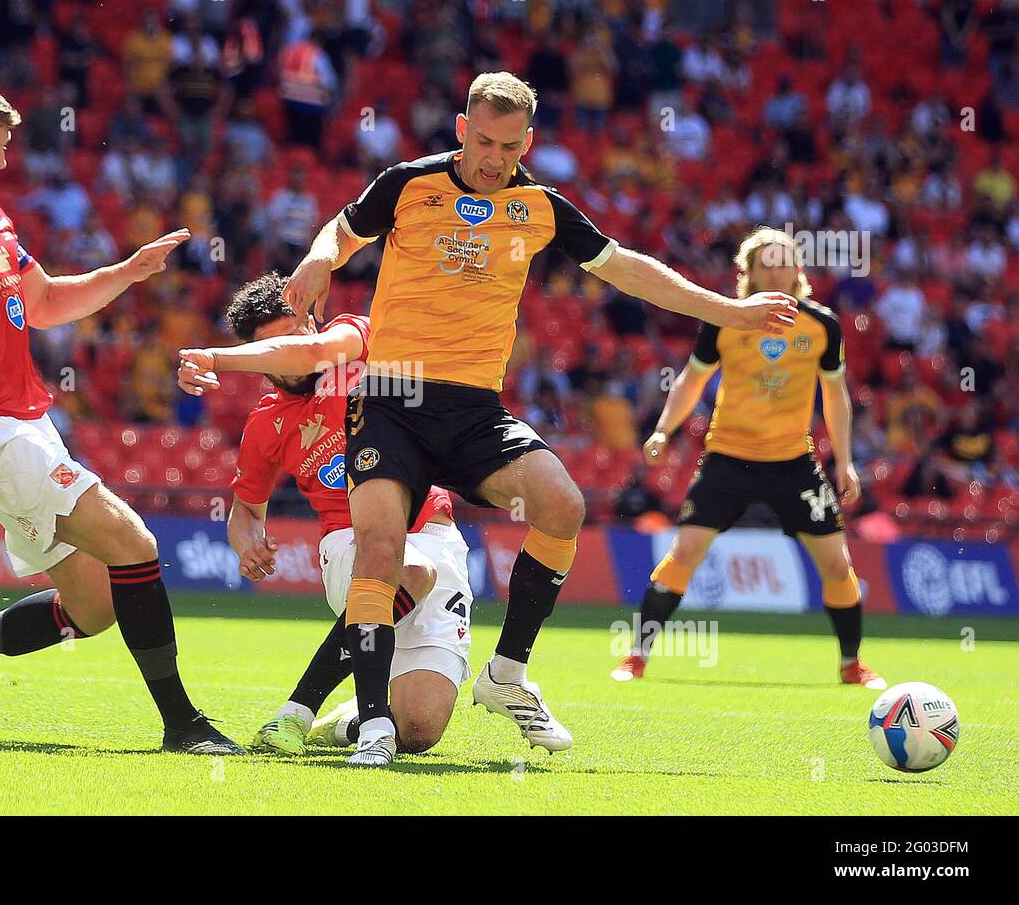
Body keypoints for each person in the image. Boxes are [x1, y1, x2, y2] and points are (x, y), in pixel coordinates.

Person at [282, 71, 798, 765]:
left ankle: (506, 674)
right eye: (483, 141)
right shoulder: (406, 184)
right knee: (380, 547)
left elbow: (631, 271)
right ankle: (372, 725)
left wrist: (729, 311)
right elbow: (339, 236)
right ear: (463, 129)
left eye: (509, 146)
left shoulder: (541, 207)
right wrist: (318, 261)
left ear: (529, 142)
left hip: (472, 409)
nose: (493, 158)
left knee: (562, 504)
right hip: (391, 399)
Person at [0, 74, 240, 754]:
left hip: (27, 421)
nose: (3, 160)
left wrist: (127, 272)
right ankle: (183, 725)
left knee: (95, 608)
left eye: (5, 147)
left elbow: (47, 301)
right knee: (136, 544)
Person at [177, 273, 474, 761]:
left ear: (311, 323)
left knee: (420, 730)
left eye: (293, 337)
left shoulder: (353, 340)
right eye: (267, 350)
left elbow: (317, 351)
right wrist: (246, 541)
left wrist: (213, 358)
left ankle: (346, 721)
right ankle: (298, 709)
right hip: (349, 540)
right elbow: (246, 510)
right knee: (412, 570)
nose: (284, 358)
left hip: (434, 528)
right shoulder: (265, 425)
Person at [611, 228, 885, 690]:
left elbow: (836, 397)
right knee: (685, 554)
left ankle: (851, 664)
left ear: (798, 270)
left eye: (785, 262)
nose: (777, 270)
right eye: (767, 263)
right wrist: (663, 429)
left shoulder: (822, 324)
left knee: (837, 565)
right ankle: (636, 656)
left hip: (794, 463)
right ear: (750, 274)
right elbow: (691, 381)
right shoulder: (724, 320)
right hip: (727, 460)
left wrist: (844, 461)